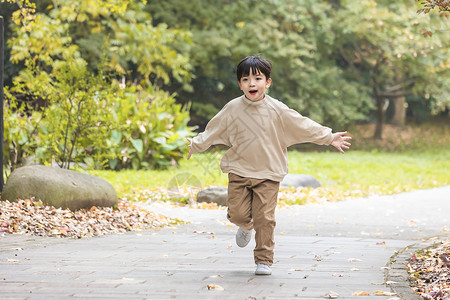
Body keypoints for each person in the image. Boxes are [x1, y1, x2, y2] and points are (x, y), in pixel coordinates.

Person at [186, 55, 351, 275]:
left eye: (257, 78)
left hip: (269, 173)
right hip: (239, 170)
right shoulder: (232, 108)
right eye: (246, 79)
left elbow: (302, 124)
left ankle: (264, 260)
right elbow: (213, 129)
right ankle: (245, 226)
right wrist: (197, 143)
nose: (252, 83)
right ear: (240, 84)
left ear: (268, 82)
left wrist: (328, 137)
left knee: (265, 218)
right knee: (236, 214)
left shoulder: (277, 109)